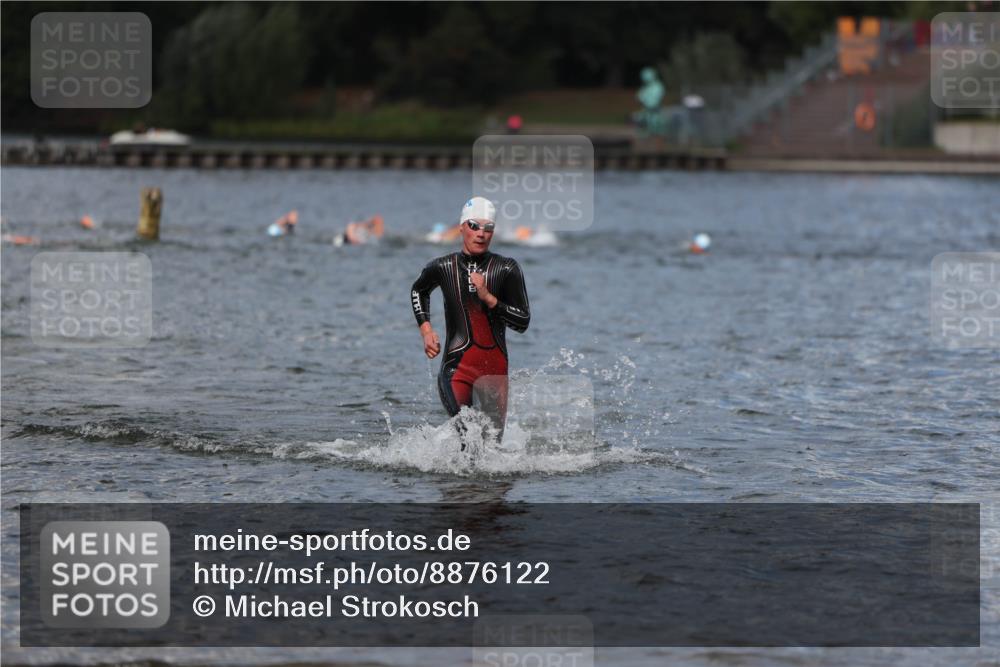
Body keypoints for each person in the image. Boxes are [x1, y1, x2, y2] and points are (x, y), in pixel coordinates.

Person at [410, 197, 530, 445]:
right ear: (462, 227)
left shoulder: (507, 269)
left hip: (495, 374)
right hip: (457, 369)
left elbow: (523, 322)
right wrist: (426, 330)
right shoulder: (443, 266)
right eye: (474, 226)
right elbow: (418, 290)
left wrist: (490, 299)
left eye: (488, 228)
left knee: (492, 448)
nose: (481, 233)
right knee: (467, 432)